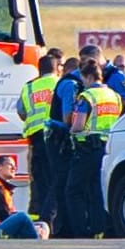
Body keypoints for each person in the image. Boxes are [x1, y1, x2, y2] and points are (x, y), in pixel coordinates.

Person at [68, 59, 122, 238]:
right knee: (98, 190)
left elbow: (78, 125)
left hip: (87, 148)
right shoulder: (114, 96)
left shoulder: (87, 97)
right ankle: (101, 228)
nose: (83, 82)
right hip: (109, 148)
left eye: (83, 79)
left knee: (73, 190)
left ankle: (81, 232)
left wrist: (70, 131)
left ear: (89, 76)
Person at [16, 54, 58, 225]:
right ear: (56, 68)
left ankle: (39, 217)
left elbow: (21, 111)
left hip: (35, 138)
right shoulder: (60, 83)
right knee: (55, 177)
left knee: (39, 178)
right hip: (54, 136)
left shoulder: (29, 87)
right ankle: (50, 218)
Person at [46, 55, 83, 237]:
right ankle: (59, 227)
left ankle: (58, 225)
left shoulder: (69, 82)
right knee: (62, 184)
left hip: (57, 137)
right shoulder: (71, 84)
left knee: (60, 183)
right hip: (59, 139)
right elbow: (67, 117)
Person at [0, 156, 50, 239]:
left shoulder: (0, 187)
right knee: (22, 217)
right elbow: (4, 216)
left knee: (43, 225)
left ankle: (35, 240)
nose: (14, 168)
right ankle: (35, 245)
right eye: (10, 165)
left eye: (15, 166)